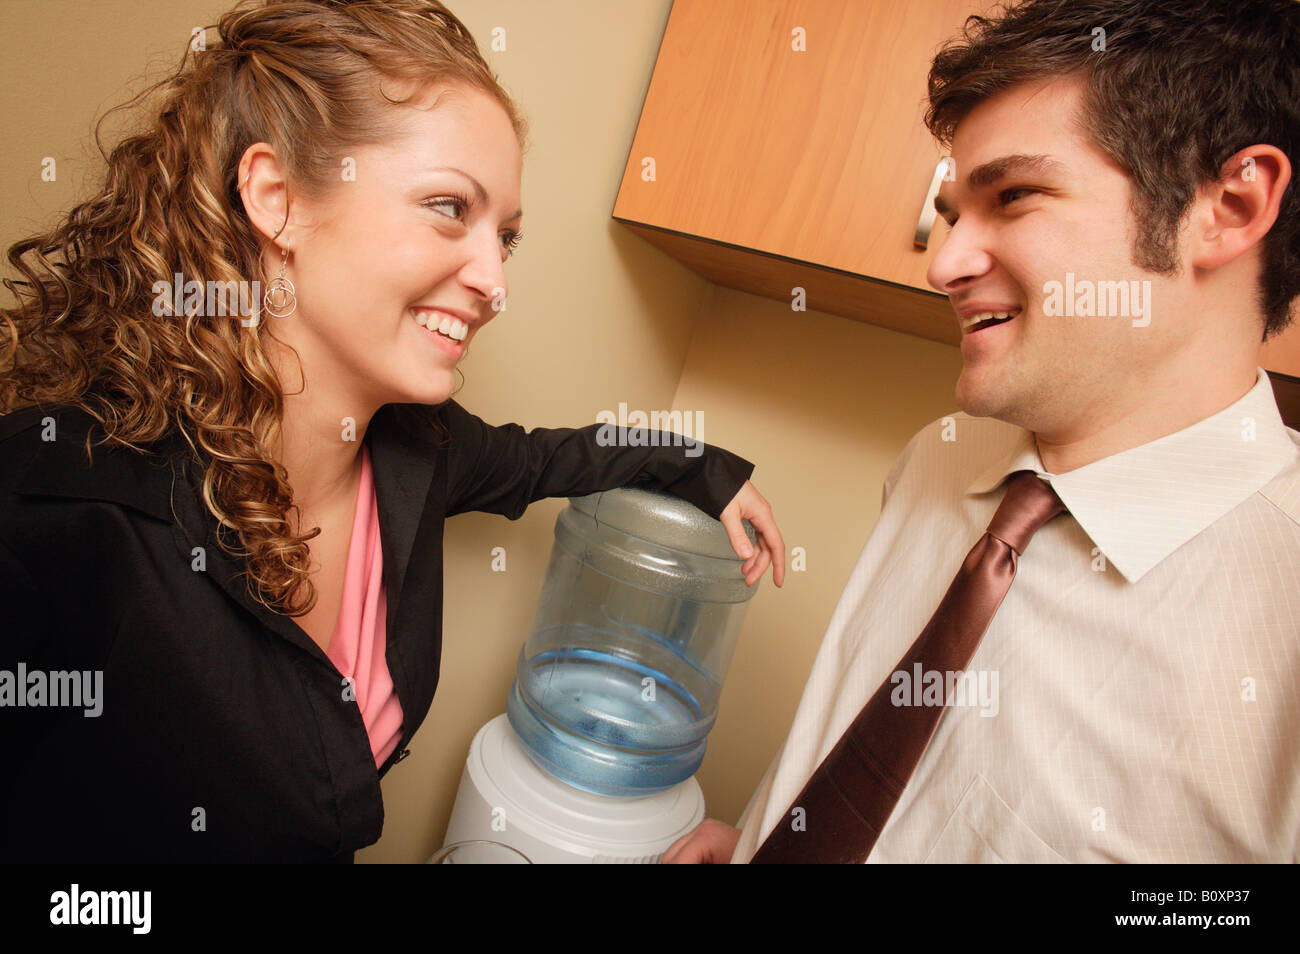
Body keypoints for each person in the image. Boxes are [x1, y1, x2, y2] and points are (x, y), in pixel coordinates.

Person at [0, 0, 785, 862]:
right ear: (277, 199)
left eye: (507, 240)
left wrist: (705, 468)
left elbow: (559, 456)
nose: (492, 280)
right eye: (450, 207)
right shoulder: (63, 507)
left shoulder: (421, 450)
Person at [665, 0, 1300, 864]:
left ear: (1227, 205)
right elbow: (894, 772)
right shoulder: (942, 457)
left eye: (1015, 195)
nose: (945, 262)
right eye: (955, 210)